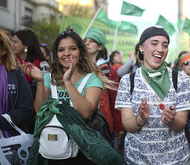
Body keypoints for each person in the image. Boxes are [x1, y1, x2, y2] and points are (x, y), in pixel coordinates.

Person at [23, 29, 121, 164]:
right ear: (56, 54)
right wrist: (40, 81)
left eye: (72, 49)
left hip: (84, 152)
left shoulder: (92, 79)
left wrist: (68, 82)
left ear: (80, 52)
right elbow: (39, 110)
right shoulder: (48, 78)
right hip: (54, 149)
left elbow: (86, 112)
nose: (66, 53)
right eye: (61, 50)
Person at [115, 26, 190, 164]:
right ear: (141, 48)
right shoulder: (128, 81)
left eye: (164, 45)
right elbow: (127, 124)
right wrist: (139, 119)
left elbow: (181, 123)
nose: (160, 49)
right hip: (136, 160)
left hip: (176, 160)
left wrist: (172, 120)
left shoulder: (180, 79)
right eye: (154, 43)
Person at [83, 27, 124, 144]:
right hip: (82, 123)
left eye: (91, 41)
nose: (87, 43)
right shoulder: (77, 69)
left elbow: (115, 99)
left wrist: (118, 125)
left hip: (104, 124)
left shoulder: (109, 70)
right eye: (85, 41)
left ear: (100, 47)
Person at [0, 29, 34, 137]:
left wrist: (2, 121)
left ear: (3, 51)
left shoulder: (15, 75)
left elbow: (27, 110)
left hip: (9, 140)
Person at [12, 29, 50, 94]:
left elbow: (45, 92)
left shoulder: (42, 65)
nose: (11, 44)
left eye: (15, 42)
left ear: (25, 45)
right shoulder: (12, 63)